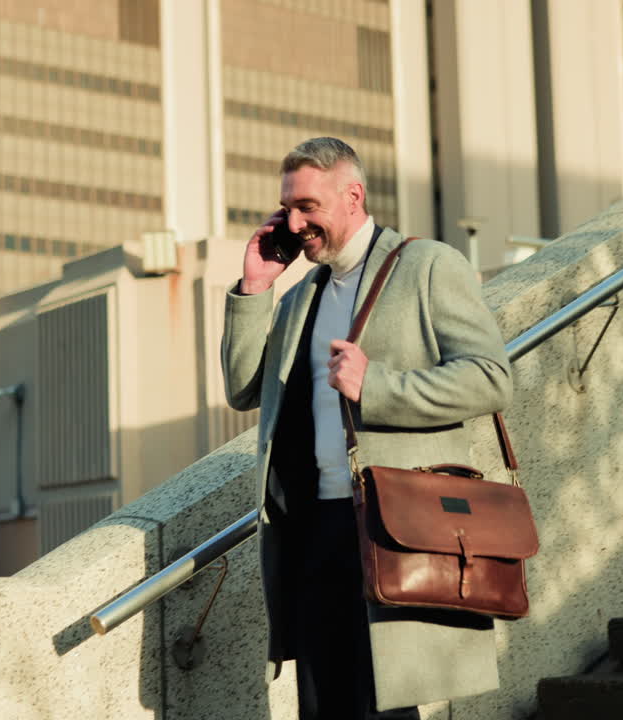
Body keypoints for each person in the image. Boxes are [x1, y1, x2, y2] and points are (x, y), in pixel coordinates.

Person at [220, 137, 513, 719]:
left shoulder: (427, 266)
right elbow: (244, 389)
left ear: (352, 196)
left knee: (382, 703)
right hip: (310, 527)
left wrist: (376, 387)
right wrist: (255, 286)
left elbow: (490, 378)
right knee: (323, 705)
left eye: (308, 206)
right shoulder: (302, 294)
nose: (296, 223)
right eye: (288, 209)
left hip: (390, 523)